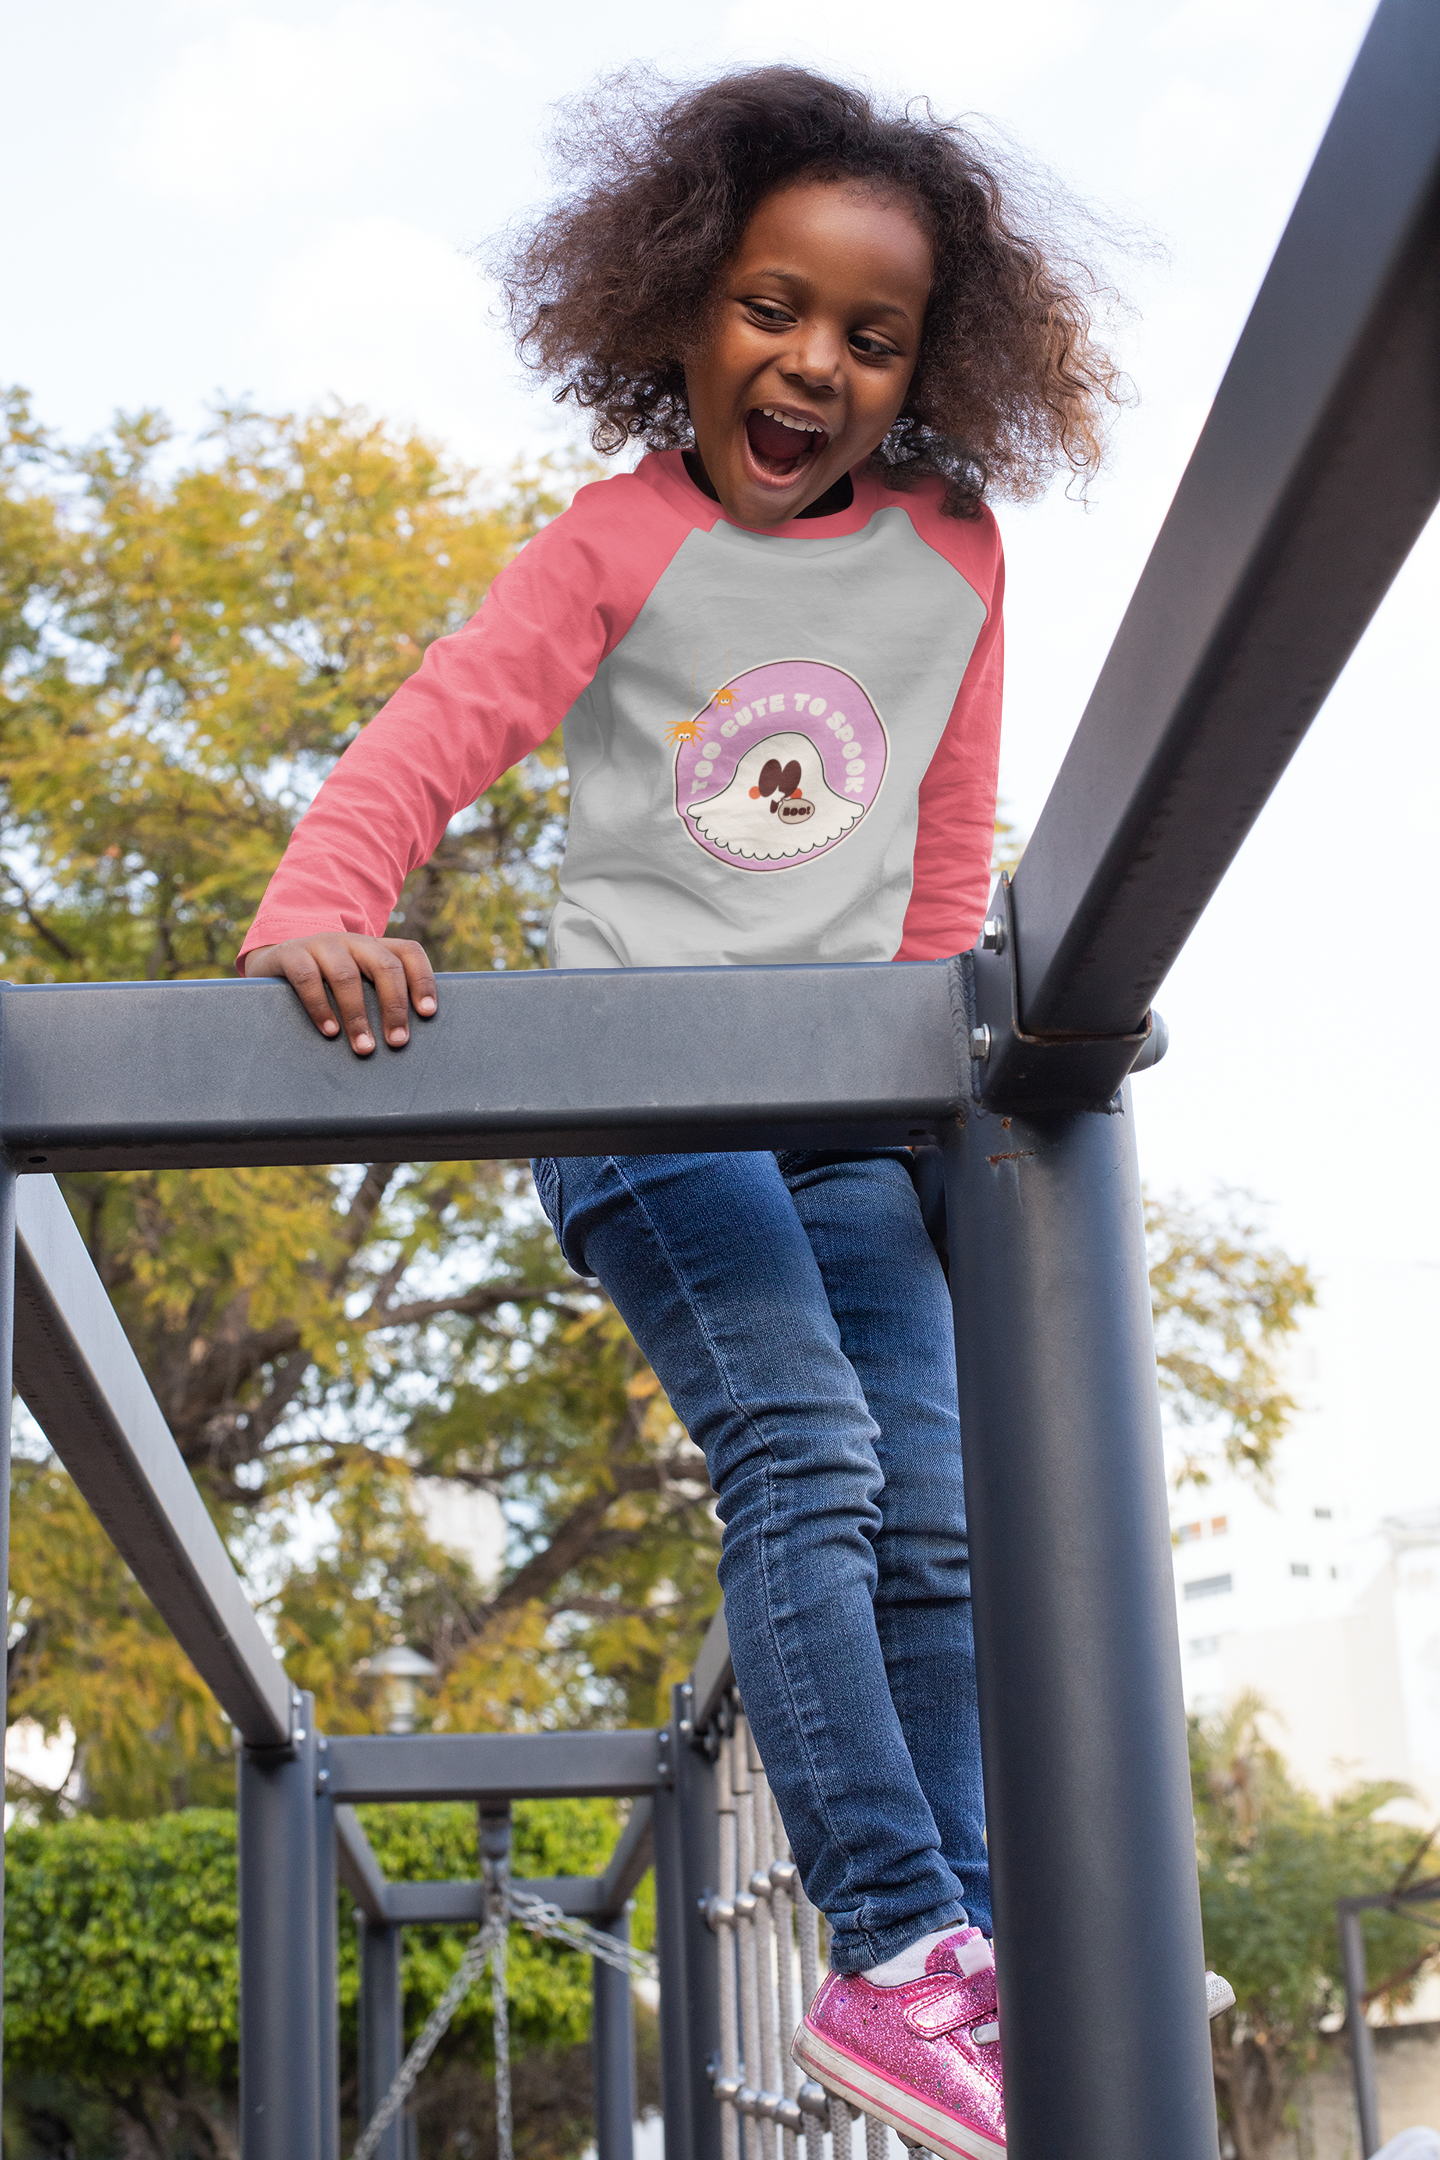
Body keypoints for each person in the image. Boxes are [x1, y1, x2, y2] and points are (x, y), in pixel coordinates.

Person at [239, 68, 1128, 2158]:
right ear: (679, 310)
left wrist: (934, 1100)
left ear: (928, 364)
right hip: (643, 1077)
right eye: (767, 307)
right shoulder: (621, 537)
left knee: (937, 1496)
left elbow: (945, 847)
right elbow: (434, 735)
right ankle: (899, 1944)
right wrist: (319, 909)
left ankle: (972, 1957)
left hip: (845, 1106)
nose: (811, 360)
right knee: (802, 1444)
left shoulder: (955, 554)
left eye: (869, 334)